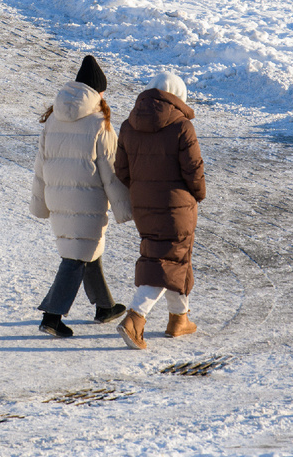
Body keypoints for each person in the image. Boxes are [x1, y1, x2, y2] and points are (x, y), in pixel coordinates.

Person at [31, 54, 133, 338]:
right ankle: (51, 316)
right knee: (76, 258)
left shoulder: (52, 119)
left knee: (87, 250)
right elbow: (111, 172)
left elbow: (41, 166)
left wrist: (40, 203)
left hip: (58, 200)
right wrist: (125, 208)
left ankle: (105, 307)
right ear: (97, 92)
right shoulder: (99, 123)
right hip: (86, 201)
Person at [113, 71, 205, 350]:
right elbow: (194, 169)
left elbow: (121, 169)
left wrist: (141, 190)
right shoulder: (181, 126)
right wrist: (199, 193)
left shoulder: (129, 125)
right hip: (176, 206)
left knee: (171, 258)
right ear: (178, 97)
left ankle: (179, 319)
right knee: (166, 260)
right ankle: (135, 317)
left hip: (144, 206)